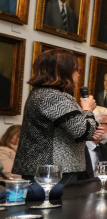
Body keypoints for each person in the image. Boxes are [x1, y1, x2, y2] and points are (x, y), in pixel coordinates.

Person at [12, 49, 99, 186]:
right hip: (53, 169)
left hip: (48, 167)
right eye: (77, 69)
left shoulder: (42, 93)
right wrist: (88, 109)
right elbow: (82, 131)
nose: (78, 74)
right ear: (66, 71)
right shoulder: (53, 96)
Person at [77, 107, 107, 180]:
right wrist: (106, 177)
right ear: (94, 125)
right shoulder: (77, 149)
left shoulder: (103, 148)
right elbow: (74, 182)